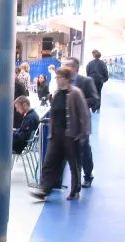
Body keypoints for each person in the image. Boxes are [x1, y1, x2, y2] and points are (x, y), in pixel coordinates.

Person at [31, 67, 90, 201]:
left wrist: (82, 134)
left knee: (73, 163)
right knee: (50, 162)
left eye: (59, 78)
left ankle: (75, 190)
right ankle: (45, 189)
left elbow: (84, 115)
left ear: (67, 79)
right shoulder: (56, 93)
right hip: (56, 134)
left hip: (71, 134)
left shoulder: (75, 93)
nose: (57, 80)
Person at [64, 56, 99, 188]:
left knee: (84, 149)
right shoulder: (63, 81)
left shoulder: (86, 81)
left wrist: (78, 103)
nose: (65, 67)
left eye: (68, 65)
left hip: (81, 122)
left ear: (75, 68)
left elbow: (95, 99)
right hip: (66, 122)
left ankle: (88, 175)